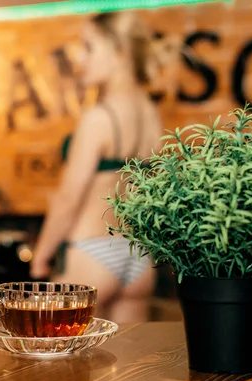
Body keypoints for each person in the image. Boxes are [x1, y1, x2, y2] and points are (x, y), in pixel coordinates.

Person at [30, 11, 163, 323]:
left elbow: (68, 198)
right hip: (136, 256)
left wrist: (41, 257)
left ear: (119, 53)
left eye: (89, 47)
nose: (79, 57)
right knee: (133, 368)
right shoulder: (150, 115)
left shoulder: (98, 118)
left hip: (89, 256)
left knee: (66, 370)